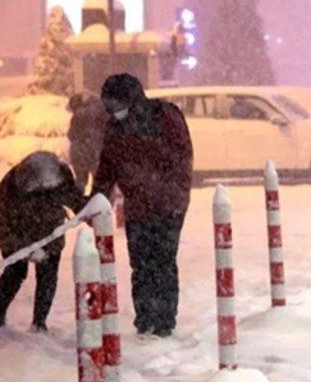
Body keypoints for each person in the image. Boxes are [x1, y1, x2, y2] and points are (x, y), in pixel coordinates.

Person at [93, 73, 193, 338]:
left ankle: (164, 322)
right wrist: (97, 197)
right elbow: (107, 166)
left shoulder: (164, 118)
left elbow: (180, 160)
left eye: (117, 105)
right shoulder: (115, 128)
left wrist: (163, 192)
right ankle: (145, 319)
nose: (114, 112)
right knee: (140, 263)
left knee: (162, 262)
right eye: (109, 106)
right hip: (137, 207)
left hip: (168, 205)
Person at [0, 152, 87, 332]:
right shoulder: (9, 188)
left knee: (47, 276)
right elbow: (5, 229)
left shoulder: (60, 178)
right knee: (14, 274)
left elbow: (76, 201)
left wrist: (93, 210)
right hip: (20, 234)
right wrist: (24, 249)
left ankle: (39, 322)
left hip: (50, 234)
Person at [66, 94, 108, 192]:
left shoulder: (78, 115)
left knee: (80, 181)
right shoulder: (102, 111)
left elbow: (71, 135)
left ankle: (79, 200)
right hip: (97, 151)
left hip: (80, 151)